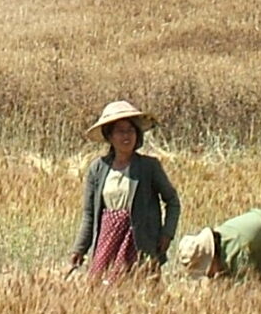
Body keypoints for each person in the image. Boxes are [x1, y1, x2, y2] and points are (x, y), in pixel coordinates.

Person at [69, 100, 181, 281]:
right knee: (101, 292)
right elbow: (90, 214)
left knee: (142, 291)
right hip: (107, 241)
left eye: (130, 130)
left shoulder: (149, 167)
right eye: (120, 131)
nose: (126, 136)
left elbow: (172, 201)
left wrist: (167, 234)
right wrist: (80, 248)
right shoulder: (97, 169)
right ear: (110, 136)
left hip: (140, 241)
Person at [172, 209, 261, 282]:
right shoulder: (222, 245)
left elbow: (250, 290)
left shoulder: (238, 253)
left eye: (207, 270)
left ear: (212, 256)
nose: (209, 275)